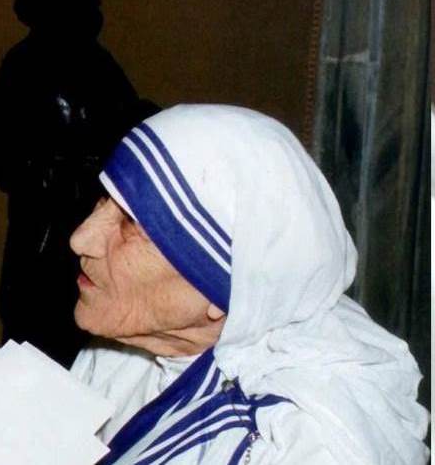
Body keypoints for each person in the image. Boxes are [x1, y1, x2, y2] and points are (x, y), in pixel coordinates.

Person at [69, 105, 429, 463]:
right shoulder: (124, 351)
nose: (80, 239)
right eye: (104, 199)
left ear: (221, 292)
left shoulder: (303, 443)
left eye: (131, 224)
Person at [0, 0, 157, 367]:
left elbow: (127, 132)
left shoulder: (101, 67)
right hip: (43, 244)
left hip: (95, 242)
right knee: (34, 347)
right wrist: (63, 168)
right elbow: (7, 165)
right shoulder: (22, 66)